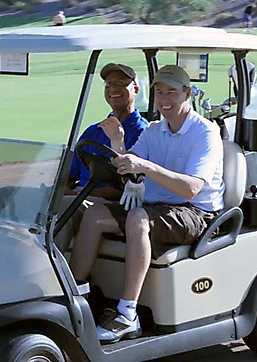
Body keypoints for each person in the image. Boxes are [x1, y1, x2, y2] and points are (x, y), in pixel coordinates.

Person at [69, 65, 225, 344]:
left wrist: (147, 167)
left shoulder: (205, 133)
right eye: (159, 93)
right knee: (94, 215)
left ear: (186, 93)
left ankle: (127, 314)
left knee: (137, 218)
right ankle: (74, 297)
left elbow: (191, 188)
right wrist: (118, 143)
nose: (164, 99)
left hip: (197, 213)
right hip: (157, 207)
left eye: (172, 93)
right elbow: (130, 167)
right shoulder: (155, 130)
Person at [0, 63, 148, 251]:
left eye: (121, 82)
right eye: (108, 83)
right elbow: (68, 174)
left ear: (135, 89)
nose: (113, 88)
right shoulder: (94, 130)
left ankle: (49, 272)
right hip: (78, 195)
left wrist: (77, 195)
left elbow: (126, 188)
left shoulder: (143, 133)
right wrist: (62, 190)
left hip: (108, 203)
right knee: (4, 196)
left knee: (60, 207)